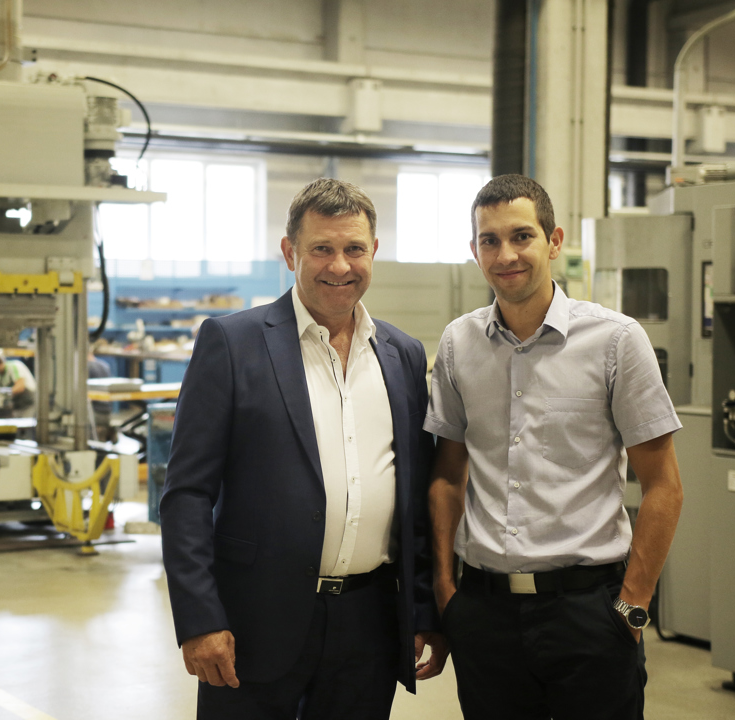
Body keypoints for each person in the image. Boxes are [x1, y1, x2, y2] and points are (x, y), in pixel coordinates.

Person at [160, 178, 447, 720]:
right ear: (290, 252)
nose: (339, 266)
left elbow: (411, 495)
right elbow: (186, 495)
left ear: (373, 253)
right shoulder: (231, 343)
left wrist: (420, 607)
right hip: (253, 622)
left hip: (370, 624)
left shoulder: (403, 355)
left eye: (354, 249)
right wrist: (200, 618)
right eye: (322, 249)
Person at [425, 174, 684, 720]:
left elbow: (664, 486)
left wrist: (634, 603)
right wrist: (447, 590)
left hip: (589, 613)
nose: (506, 254)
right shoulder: (458, 344)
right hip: (485, 614)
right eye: (489, 241)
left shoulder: (616, 341)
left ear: (554, 241)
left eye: (522, 236)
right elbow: (448, 474)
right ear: (474, 251)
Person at [0, 353, 37, 419]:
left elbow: (20, 387)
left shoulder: (14, 366)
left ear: (0, 363)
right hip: (17, 406)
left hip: (28, 403)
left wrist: (4, 396)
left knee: (26, 425)